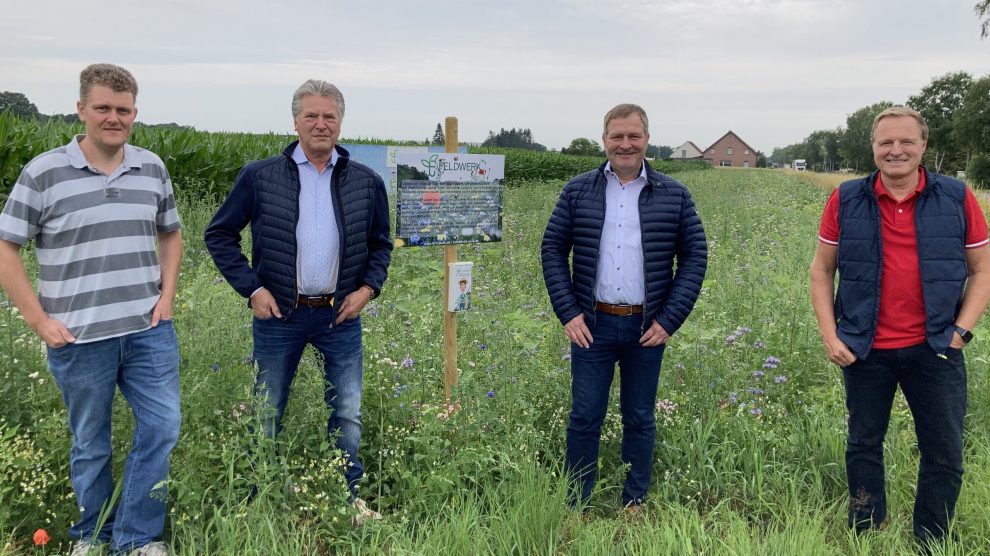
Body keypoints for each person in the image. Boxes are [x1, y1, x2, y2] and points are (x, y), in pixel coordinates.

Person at [0, 64, 182, 556]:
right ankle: (94, 536)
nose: (113, 118)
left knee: (163, 427)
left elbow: (170, 232)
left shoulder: (152, 168)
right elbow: (6, 247)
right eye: (102, 108)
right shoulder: (43, 173)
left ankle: (137, 538)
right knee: (91, 442)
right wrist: (39, 321)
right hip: (79, 338)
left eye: (123, 110)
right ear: (81, 109)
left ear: (135, 114)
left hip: (147, 330)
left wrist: (166, 298)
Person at [204, 79, 392, 523]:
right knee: (267, 409)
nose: (321, 124)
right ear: (295, 121)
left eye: (329, 116)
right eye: (312, 115)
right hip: (280, 314)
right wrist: (252, 289)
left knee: (346, 412)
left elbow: (381, 244)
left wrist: (367, 290)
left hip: (340, 315)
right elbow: (220, 234)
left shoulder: (366, 182)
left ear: (341, 123)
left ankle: (348, 498)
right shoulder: (260, 176)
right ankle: (258, 498)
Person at [810, 106, 990, 546]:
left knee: (944, 451)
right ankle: (866, 528)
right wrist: (831, 336)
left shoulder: (956, 197)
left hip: (936, 348)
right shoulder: (846, 198)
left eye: (906, 141)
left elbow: (983, 269)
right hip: (865, 348)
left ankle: (931, 539)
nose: (896, 150)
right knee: (864, 444)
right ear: (873, 148)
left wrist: (961, 330)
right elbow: (821, 270)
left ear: (923, 145)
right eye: (885, 142)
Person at [541, 103, 708, 509]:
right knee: (584, 418)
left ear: (647, 139)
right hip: (592, 324)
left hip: (645, 328)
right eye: (617, 136)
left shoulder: (674, 194)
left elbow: (695, 256)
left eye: (634, 136)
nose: (625, 144)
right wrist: (569, 312)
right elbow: (551, 249)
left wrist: (669, 320)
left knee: (639, 417)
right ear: (604, 140)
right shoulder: (578, 190)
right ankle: (576, 502)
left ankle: (634, 501)